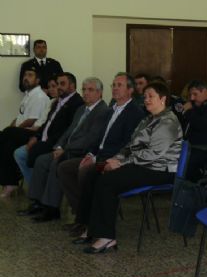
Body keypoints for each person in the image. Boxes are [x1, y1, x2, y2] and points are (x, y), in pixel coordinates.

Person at [80, 81, 182, 253]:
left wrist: (121, 163)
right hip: (142, 165)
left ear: (163, 99)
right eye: (145, 97)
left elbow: (153, 154)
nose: (147, 100)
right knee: (93, 173)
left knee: (107, 182)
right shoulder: (148, 119)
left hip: (160, 170)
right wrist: (114, 159)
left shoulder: (168, 122)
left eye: (151, 96)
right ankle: (90, 227)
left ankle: (106, 237)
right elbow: (130, 146)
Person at [58, 73, 145, 237]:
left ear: (130, 90)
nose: (115, 89)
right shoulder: (111, 110)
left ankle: (88, 222)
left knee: (86, 172)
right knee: (65, 168)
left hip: (114, 159)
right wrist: (91, 154)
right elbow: (99, 137)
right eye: (113, 85)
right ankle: (82, 215)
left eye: (119, 85)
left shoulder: (135, 113)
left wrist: (101, 159)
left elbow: (128, 144)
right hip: (99, 155)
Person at [22, 78, 110, 222]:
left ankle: (52, 208)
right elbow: (69, 131)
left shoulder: (102, 111)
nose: (85, 93)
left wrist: (65, 150)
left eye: (90, 90)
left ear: (100, 93)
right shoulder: (81, 109)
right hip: (67, 149)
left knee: (56, 162)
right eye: (84, 89)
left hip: (82, 151)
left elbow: (90, 139)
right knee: (41, 160)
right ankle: (37, 202)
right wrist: (59, 146)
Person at [0, 66, 51, 197]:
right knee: (7, 144)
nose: (26, 78)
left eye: (30, 75)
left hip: (33, 132)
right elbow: (19, 117)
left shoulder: (39, 96)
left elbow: (31, 120)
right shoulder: (28, 95)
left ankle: (10, 183)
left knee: (7, 135)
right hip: (21, 131)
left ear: (38, 80)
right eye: (25, 75)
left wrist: (12, 130)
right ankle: (10, 182)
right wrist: (10, 128)